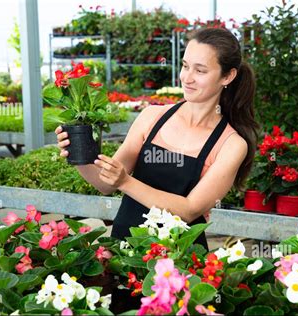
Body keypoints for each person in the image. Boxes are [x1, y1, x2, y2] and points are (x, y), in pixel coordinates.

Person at [55, 27, 258, 251]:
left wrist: (125, 182)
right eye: (185, 66)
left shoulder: (231, 144)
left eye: (200, 71)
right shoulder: (152, 117)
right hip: (123, 247)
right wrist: (78, 155)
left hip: (177, 261)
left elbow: (189, 209)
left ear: (227, 76)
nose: (187, 78)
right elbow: (104, 184)